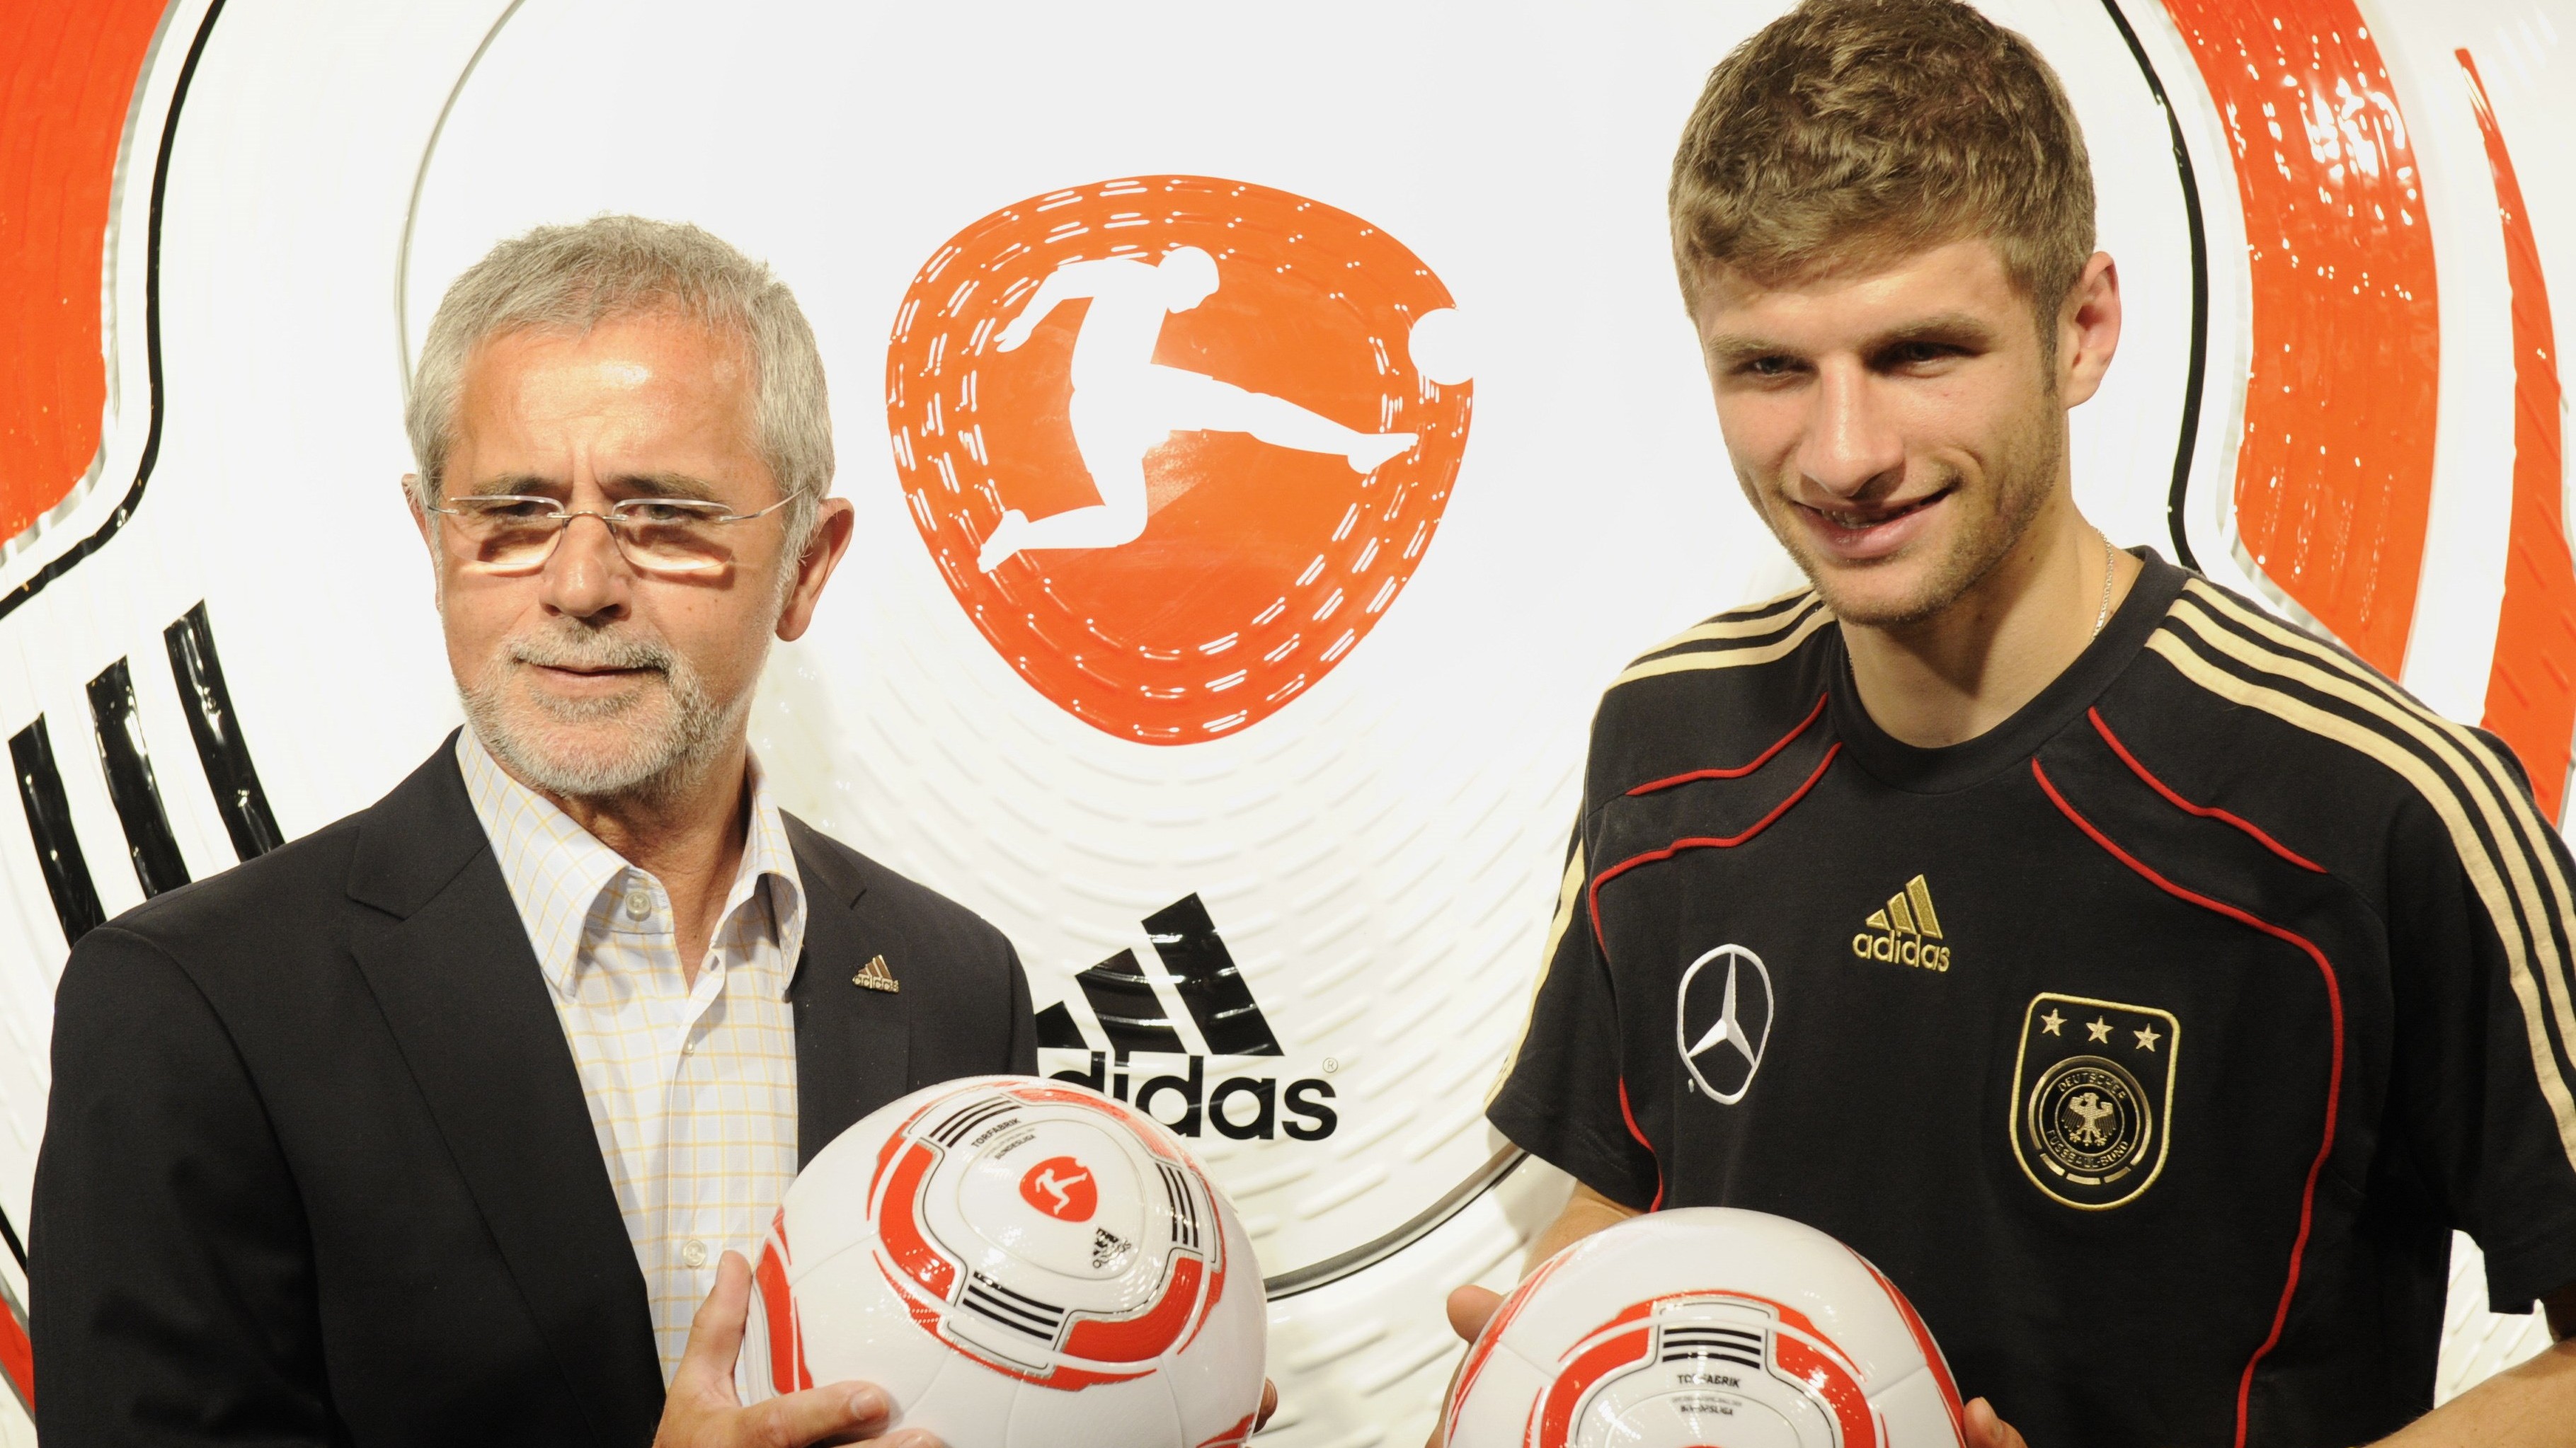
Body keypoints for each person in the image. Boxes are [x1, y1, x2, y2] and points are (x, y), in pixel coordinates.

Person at [1455, 4, 2576, 1446]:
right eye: (1768, 367)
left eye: (1918, 352)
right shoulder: (1665, 736)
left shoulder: (2377, 805)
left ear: (2080, 328)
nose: (1842, 455)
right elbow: (1623, 1198)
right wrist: (1539, 1373)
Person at [31, 216, 1034, 1447]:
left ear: (807, 565)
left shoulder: (955, 986)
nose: (578, 584)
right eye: (511, 513)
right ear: (431, 542)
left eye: (663, 516)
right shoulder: (194, 1004)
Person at [977, 244, 1416, 572]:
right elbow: (1062, 280)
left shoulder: (1140, 286)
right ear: (1183, 276)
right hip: (1128, 388)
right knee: (1252, 411)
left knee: (1127, 523)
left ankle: (1021, 536)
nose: (1195, 305)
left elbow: (1063, 283)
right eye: (1200, 294)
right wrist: (1024, 323)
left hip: (1095, 410)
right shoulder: (1136, 276)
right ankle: (1356, 447)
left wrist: (1027, 323)